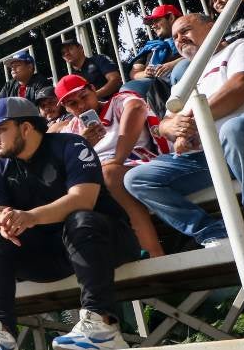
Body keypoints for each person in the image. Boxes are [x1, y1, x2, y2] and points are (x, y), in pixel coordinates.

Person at [0, 97, 141, 350]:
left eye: (1, 129)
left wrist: (29, 216)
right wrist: (4, 222)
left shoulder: (71, 145)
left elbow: (83, 199)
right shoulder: (0, 167)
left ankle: (103, 325)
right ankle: (1, 333)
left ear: (26, 128)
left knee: (80, 219)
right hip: (52, 256)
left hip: (105, 246)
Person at [125, 13, 244, 248]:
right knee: (137, 179)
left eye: (185, 30)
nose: (179, 39)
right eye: (175, 37)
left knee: (236, 128)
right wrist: (173, 128)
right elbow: (165, 123)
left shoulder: (241, 47)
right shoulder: (186, 76)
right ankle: (214, 233)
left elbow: (243, 85)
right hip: (210, 158)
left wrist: (190, 123)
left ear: (213, 27)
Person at [55, 75, 165, 258]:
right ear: (66, 108)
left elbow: (137, 107)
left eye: (84, 96)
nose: (81, 106)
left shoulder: (117, 102)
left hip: (133, 164)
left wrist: (117, 158)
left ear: (92, 89)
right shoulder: (73, 129)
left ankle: (154, 253)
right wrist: (82, 143)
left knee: (109, 175)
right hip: (97, 179)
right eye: (72, 104)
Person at [129, 4, 183, 84]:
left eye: (157, 20)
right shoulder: (151, 47)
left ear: (171, 18)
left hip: (181, 79)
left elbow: (198, 52)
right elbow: (134, 73)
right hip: (154, 85)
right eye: (152, 23)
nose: (153, 26)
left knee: (180, 69)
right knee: (129, 87)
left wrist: (172, 64)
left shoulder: (187, 37)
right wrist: (145, 73)